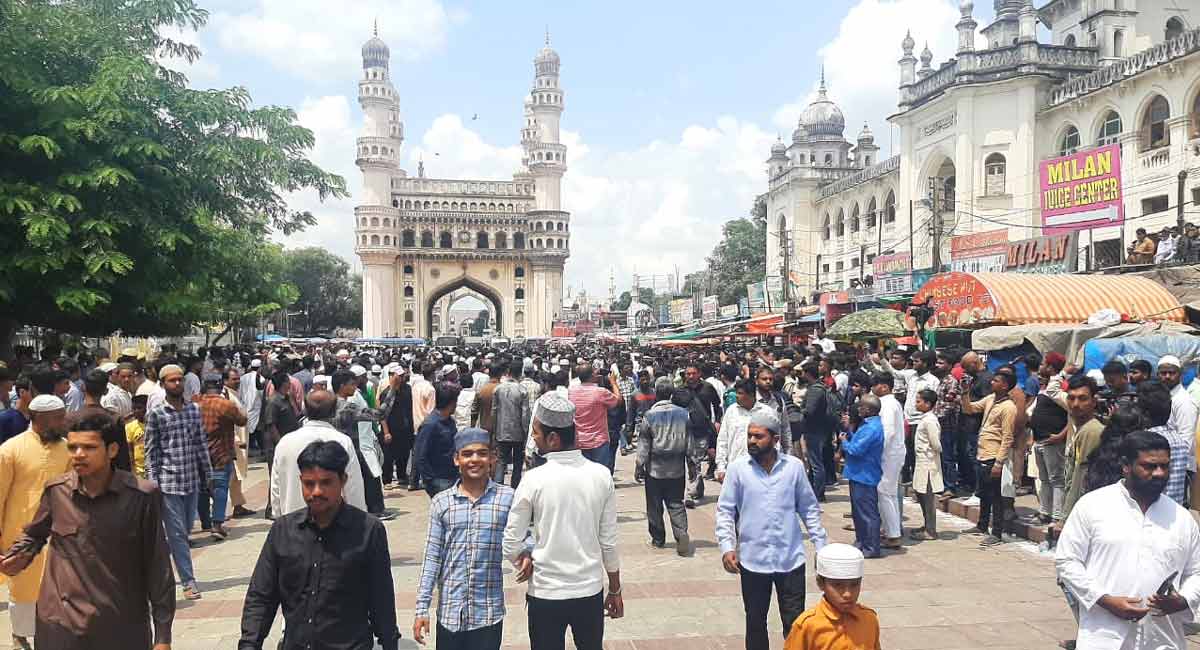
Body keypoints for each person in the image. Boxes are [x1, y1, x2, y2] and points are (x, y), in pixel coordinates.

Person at [0, 409, 175, 650]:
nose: (78, 455)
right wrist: (18, 555)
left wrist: (163, 636)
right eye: (72, 448)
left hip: (119, 626)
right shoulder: (57, 491)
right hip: (60, 625)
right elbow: (35, 534)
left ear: (112, 450)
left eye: (89, 448)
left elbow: (158, 567)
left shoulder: (141, 496)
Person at [240, 441, 400, 650]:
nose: (316, 491)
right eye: (309, 483)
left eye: (326, 483)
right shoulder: (283, 531)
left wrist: (390, 643)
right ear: (301, 482)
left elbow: (381, 599)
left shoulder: (369, 531)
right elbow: (261, 596)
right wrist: (250, 644)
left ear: (342, 480)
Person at [1056, 430, 1200, 650]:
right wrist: (1104, 599)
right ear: (1126, 466)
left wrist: (1183, 600)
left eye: (1164, 466)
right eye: (1149, 466)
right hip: (1104, 636)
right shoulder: (1093, 506)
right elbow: (1067, 562)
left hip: (1163, 640)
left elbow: (1196, 572)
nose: (1159, 473)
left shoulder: (1181, 518)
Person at [502, 392, 623, 650]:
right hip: (589, 592)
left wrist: (522, 559)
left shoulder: (533, 479)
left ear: (553, 438)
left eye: (536, 432)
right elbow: (609, 542)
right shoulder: (601, 476)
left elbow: (511, 541)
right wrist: (614, 589)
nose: (533, 438)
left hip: (545, 593)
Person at [716, 409, 828, 650]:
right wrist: (727, 547)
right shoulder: (738, 469)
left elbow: (809, 509)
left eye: (758, 436)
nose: (752, 441)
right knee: (755, 622)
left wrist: (821, 547)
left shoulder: (794, 468)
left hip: (791, 561)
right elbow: (725, 511)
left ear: (775, 439)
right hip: (753, 562)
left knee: (795, 624)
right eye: (749, 436)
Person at [413, 429, 515, 650]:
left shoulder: (507, 499)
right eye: (467, 454)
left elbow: (520, 537)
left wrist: (526, 551)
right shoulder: (442, 503)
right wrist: (422, 609)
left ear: (493, 458)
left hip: (488, 613)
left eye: (482, 453)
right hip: (450, 614)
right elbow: (432, 558)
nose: (475, 459)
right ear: (456, 459)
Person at [0, 394, 71, 648]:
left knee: (58, 589)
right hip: (20, 536)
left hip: (58, 534)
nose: (64, 422)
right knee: (24, 591)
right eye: (58, 418)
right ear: (39, 418)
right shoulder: (10, 450)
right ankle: (20, 637)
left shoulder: (67, 448)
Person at [144, 364, 210, 601]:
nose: (178, 384)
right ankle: (188, 581)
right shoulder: (156, 414)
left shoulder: (193, 410)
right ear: (163, 384)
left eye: (180, 380)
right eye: (172, 381)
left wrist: (207, 474)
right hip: (168, 483)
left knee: (183, 531)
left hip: (191, 480)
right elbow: (151, 452)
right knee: (178, 534)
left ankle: (156, 572)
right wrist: (153, 483)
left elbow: (200, 444)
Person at [269, 389, 366, 517]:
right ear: (334, 411)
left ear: (305, 411)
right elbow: (353, 488)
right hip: (333, 526)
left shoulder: (285, 442)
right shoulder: (342, 441)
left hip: (292, 523)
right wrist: (359, 521)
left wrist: (278, 519)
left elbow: (276, 486)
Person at [960, 369, 1019, 547]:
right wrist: (965, 392)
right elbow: (969, 408)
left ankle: (997, 533)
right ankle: (982, 525)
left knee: (996, 497)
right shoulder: (990, 399)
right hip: (982, 452)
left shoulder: (1009, 408)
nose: (991, 382)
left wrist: (999, 462)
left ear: (1005, 385)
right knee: (984, 494)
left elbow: (1007, 437)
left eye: (996, 381)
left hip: (993, 455)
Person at [783, 543, 880, 650]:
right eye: (838, 585)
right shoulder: (807, 625)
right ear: (821, 583)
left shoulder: (869, 619)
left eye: (854, 584)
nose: (847, 594)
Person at [635, 382, 692, 555]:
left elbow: (644, 444)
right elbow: (690, 443)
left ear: (656, 395)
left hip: (655, 470)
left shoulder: (649, 415)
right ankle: (681, 533)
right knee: (676, 503)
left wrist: (639, 465)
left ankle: (658, 539)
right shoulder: (684, 414)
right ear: (671, 394)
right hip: (677, 469)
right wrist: (692, 465)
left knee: (654, 506)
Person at [332, 369, 395, 518]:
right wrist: (392, 389)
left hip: (336, 449)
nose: (355, 388)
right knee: (369, 477)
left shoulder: (329, 403)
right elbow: (380, 414)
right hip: (352, 450)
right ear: (342, 386)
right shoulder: (347, 407)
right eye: (352, 384)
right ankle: (375, 510)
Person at [196, 378, 246, 541]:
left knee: (202, 489)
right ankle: (217, 524)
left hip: (200, 453)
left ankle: (205, 521)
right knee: (220, 488)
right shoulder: (226, 405)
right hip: (221, 453)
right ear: (220, 388)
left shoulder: (195, 404)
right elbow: (242, 420)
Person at [1062, 375, 1106, 523]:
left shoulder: (1091, 431)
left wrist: (1066, 518)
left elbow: (1080, 478)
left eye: (1082, 398)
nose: (1075, 404)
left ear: (1094, 402)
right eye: (1071, 398)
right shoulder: (1078, 428)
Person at [871, 373, 905, 549]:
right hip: (891, 453)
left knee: (885, 493)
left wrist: (877, 452)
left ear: (884, 386)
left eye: (875, 384)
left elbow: (888, 432)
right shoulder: (890, 403)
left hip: (889, 454)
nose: (872, 388)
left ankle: (893, 535)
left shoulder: (889, 404)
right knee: (888, 493)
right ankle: (890, 530)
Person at [715, 378, 772, 481]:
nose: (736, 396)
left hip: (760, 470)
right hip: (735, 469)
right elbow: (723, 440)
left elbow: (774, 442)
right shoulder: (731, 411)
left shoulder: (766, 412)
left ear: (751, 395)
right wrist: (721, 467)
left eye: (740, 393)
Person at [568, 364, 623, 470]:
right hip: (599, 441)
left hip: (579, 441)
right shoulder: (600, 392)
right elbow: (618, 400)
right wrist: (613, 382)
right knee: (600, 474)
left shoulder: (571, 391)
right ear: (592, 375)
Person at [414, 382, 462, 497]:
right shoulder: (430, 425)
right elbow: (420, 455)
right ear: (450, 403)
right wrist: (430, 480)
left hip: (452, 475)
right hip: (439, 480)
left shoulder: (450, 421)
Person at [909, 389, 942, 541]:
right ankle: (926, 524)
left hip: (928, 463)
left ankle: (931, 530)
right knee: (921, 494)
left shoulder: (930, 421)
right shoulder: (925, 418)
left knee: (928, 497)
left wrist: (932, 453)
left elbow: (935, 443)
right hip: (921, 462)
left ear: (928, 404)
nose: (916, 404)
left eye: (919, 401)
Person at [492, 359, 531, 488]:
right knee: (518, 463)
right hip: (518, 433)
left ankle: (498, 489)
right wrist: (526, 433)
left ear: (508, 372)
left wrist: (494, 431)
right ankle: (514, 490)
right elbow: (525, 415)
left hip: (502, 431)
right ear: (520, 373)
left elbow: (494, 412)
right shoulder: (522, 390)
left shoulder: (498, 389)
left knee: (501, 462)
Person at [379, 364, 414, 487]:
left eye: (402, 375)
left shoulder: (407, 389)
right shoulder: (386, 393)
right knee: (389, 456)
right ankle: (387, 479)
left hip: (405, 428)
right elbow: (381, 415)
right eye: (398, 376)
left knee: (404, 454)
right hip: (391, 429)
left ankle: (402, 476)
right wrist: (386, 432)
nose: (401, 378)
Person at [1158, 356, 1199, 444]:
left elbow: (1187, 439)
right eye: (1163, 373)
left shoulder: (1184, 401)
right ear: (1158, 375)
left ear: (1180, 374)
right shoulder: (1163, 396)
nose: (1167, 376)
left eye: (1172, 373)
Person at [126, 393, 149, 478]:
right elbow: (130, 450)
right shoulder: (130, 427)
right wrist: (133, 470)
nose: (136, 411)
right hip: (138, 470)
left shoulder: (152, 425)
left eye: (139, 408)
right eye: (134, 409)